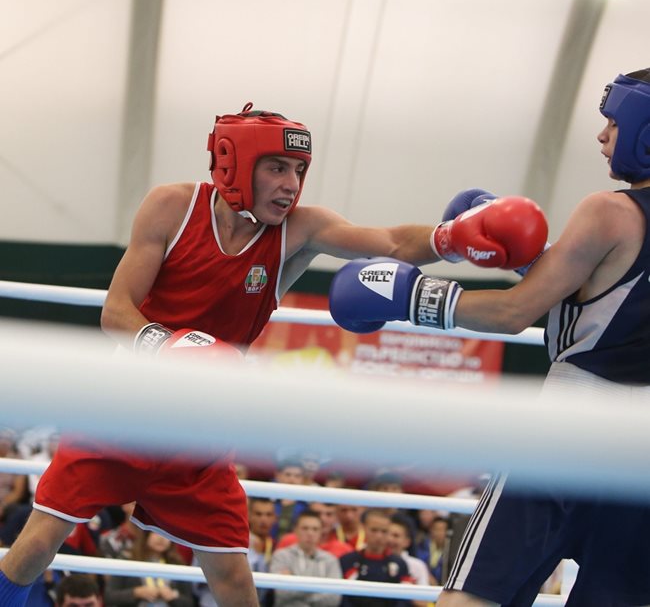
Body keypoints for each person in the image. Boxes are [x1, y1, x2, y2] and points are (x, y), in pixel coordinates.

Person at [0, 102, 544, 607]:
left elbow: (393, 242)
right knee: (39, 541)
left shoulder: (299, 230)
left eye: (299, 171)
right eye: (277, 168)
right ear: (233, 164)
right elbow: (116, 312)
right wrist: (173, 346)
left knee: (234, 576)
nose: (291, 185)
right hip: (122, 409)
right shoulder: (172, 206)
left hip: (198, 430)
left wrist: (454, 237)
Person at [329, 68, 650, 605]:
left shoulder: (610, 212)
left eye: (613, 123)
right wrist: (525, 259)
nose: (601, 136)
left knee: (470, 600)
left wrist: (408, 297)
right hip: (639, 459)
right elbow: (611, 302)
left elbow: (512, 314)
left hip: (567, 432)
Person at [339, 509, 411, 607]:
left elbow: (404, 600)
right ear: (364, 528)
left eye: (384, 531)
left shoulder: (400, 564)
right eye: (374, 530)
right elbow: (343, 598)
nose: (379, 536)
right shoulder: (347, 561)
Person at [103, 530, 193, 607]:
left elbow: (190, 602)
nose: (161, 538)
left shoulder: (177, 564)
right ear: (145, 535)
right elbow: (109, 597)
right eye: (156, 532)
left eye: (166, 534)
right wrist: (136, 592)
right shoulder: (127, 560)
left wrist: (173, 596)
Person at [270, 511, 342, 607]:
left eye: (315, 529)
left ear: (321, 532)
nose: (310, 533)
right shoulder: (281, 556)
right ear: (295, 530)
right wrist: (319, 588)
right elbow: (281, 592)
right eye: (305, 528)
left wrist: (294, 583)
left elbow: (334, 598)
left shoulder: (330, 560)